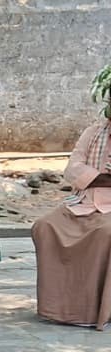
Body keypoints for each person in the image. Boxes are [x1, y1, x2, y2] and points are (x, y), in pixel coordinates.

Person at [32, 66, 111, 329]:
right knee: (44, 226)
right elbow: (72, 169)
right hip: (83, 202)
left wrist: (92, 176)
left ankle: (95, 311)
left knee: (106, 235)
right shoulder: (93, 132)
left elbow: (82, 172)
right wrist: (103, 178)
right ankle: (57, 308)